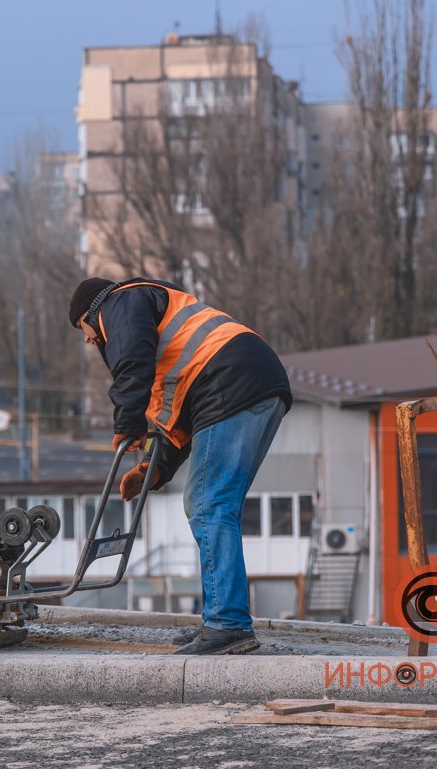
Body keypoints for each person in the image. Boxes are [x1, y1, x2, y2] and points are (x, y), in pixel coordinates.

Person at [69, 277, 292, 655]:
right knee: (214, 507)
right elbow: (180, 415)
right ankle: (220, 619)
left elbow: (132, 361)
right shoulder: (162, 330)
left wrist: (127, 423)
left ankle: (227, 624)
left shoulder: (119, 302)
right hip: (252, 382)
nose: (89, 340)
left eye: (84, 331)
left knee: (209, 506)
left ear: (92, 312)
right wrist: (156, 469)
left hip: (232, 382)